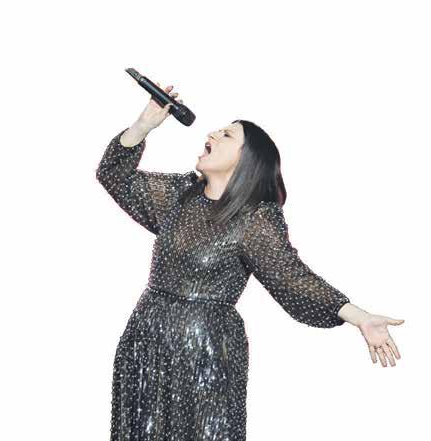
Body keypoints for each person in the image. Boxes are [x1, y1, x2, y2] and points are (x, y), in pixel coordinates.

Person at [95, 82, 405, 441]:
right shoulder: (179, 196)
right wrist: (144, 124)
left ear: (247, 161)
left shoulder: (255, 218)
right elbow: (113, 175)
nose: (212, 134)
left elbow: (291, 277)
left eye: (227, 135)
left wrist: (360, 317)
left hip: (206, 352)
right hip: (147, 341)